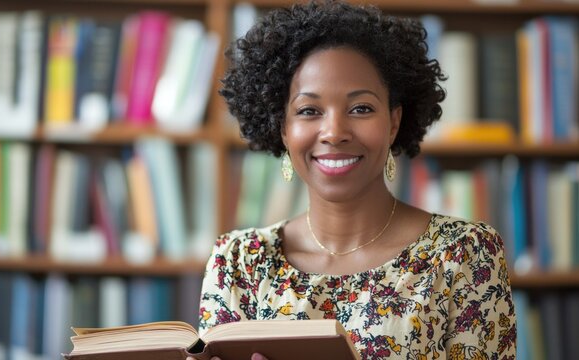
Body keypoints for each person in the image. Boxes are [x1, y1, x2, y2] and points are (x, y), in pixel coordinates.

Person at [189, 1, 516, 359]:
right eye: (309, 111)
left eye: (361, 108)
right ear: (283, 127)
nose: (334, 132)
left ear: (393, 122)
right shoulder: (239, 264)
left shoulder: (463, 255)